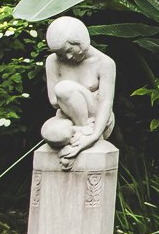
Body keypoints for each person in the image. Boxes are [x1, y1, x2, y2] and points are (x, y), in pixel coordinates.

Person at [43, 16, 116, 170]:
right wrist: (73, 101)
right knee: (52, 133)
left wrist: (95, 134)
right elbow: (54, 101)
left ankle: (86, 136)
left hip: (97, 118)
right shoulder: (52, 61)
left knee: (64, 89)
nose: (67, 57)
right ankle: (79, 131)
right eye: (61, 54)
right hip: (66, 117)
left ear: (80, 41)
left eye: (69, 50)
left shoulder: (104, 63)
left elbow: (106, 103)